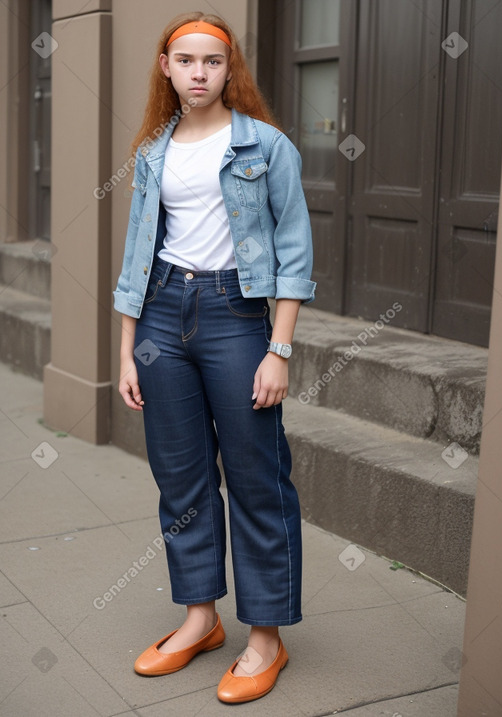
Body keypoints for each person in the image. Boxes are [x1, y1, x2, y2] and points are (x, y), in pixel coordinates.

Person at [114, 11, 315, 704]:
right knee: (180, 475)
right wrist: (128, 350)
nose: (199, 72)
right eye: (186, 60)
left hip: (237, 318)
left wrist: (278, 350)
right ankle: (200, 617)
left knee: (259, 474)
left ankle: (266, 634)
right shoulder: (152, 151)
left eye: (213, 61)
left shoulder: (266, 147)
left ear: (231, 69)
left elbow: (294, 251)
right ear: (166, 67)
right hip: (162, 315)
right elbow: (138, 256)